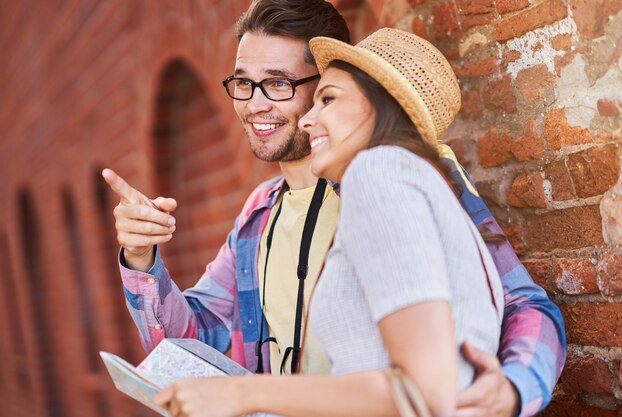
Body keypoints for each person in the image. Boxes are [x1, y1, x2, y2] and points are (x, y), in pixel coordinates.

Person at [102, 1, 566, 416]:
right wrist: (141, 258)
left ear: (324, 84)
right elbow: (194, 345)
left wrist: (515, 388)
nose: (255, 105)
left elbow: (518, 301)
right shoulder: (258, 213)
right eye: (243, 83)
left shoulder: (396, 176)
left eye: (278, 84)